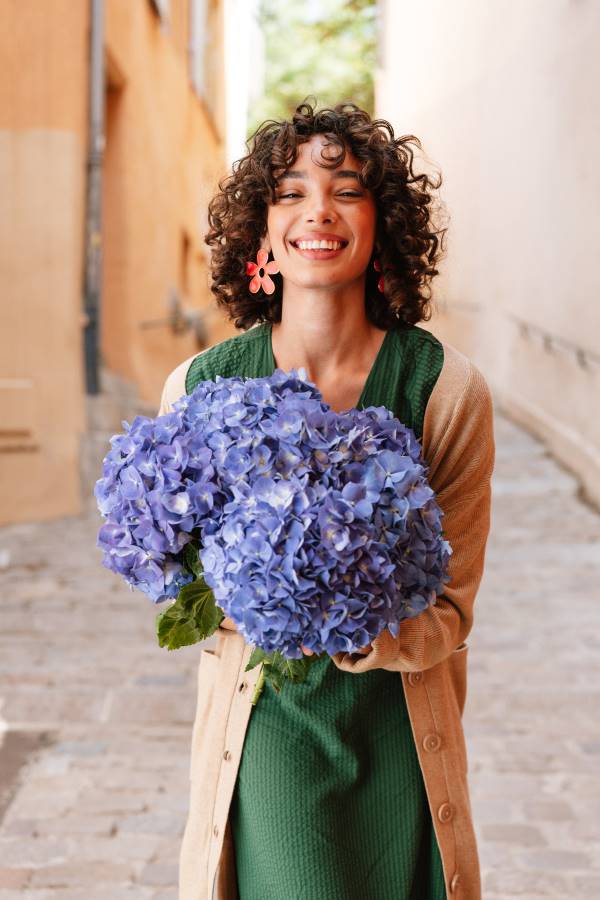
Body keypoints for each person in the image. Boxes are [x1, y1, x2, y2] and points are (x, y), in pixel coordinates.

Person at [158, 100, 495, 900]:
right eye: (291, 192)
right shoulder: (201, 388)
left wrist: (352, 612)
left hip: (398, 734)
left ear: (384, 226)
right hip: (269, 725)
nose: (319, 210)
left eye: (347, 189)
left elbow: (452, 611)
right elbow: (176, 578)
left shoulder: (443, 391)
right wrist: (251, 598)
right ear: (261, 233)